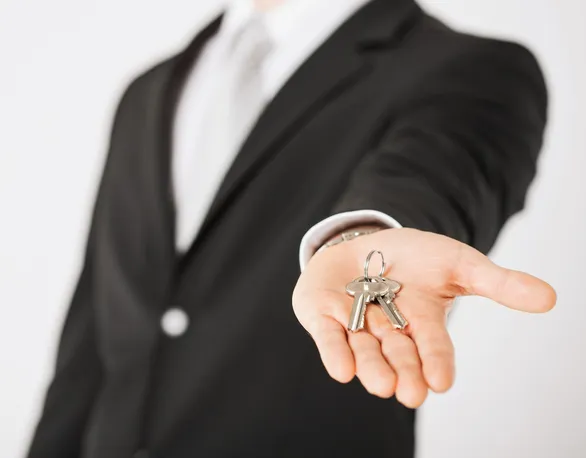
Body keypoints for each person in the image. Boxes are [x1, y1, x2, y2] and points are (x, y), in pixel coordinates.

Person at [27, 0, 556, 457]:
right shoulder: (146, 92)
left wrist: (367, 234)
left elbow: (434, 172)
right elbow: (93, 332)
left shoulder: (472, 69)